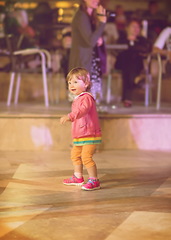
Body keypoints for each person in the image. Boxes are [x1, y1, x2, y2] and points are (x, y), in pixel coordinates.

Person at [60, 67, 101, 191]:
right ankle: (78, 177)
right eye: (69, 82)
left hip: (89, 133)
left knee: (86, 157)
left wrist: (70, 116)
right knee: (75, 155)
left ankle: (94, 180)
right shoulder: (78, 98)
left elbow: (82, 110)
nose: (72, 85)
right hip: (80, 134)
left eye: (76, 82)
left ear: (86, 84)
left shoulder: (87, 98)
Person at [69, 0, 107, 105]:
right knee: (83, 103)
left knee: (91, 103)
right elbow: (90, 41)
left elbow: (93, 38)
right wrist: (102, 23)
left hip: (91, 61)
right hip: (83, 61)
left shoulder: (89, 16)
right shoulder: (81, 16)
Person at [115, 18, 152, 107]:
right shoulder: (122, 39)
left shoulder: (142, 40)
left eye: (138, 27)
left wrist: (133, 45)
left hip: (137, 65)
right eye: (133, 27)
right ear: (127, 28)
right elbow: (117, 49)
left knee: (130, 69)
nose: (136, 29)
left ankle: (126, 98)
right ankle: (137, 81)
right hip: (122, 64)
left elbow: (147, 49)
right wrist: (130, 43)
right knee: (129, 65)